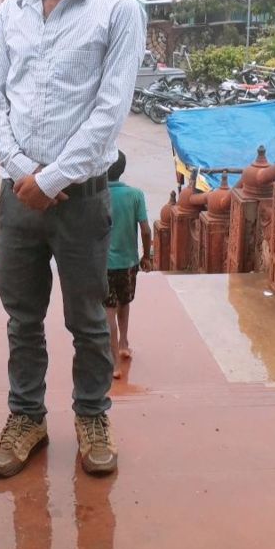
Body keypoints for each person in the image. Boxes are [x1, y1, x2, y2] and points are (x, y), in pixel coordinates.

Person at [0, 0, 146, 478]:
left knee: (88, 320)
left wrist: (52, 178)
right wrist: (22, 172)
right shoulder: (11, 12)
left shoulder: (118, 13)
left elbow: (110, 111)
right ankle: (27, 417)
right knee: (22, 319)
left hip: (82, 199)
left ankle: (93, 416)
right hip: (17, 198)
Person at [103, 150, 152, 379]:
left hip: (104, 264)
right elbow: (146, 230)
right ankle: (124, 343)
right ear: (122, 169)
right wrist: (146, 256)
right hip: (129, 262)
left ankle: (113, 363)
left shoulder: (98, 196)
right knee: (125, 301)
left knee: (108, 310)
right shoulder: (135, 194)